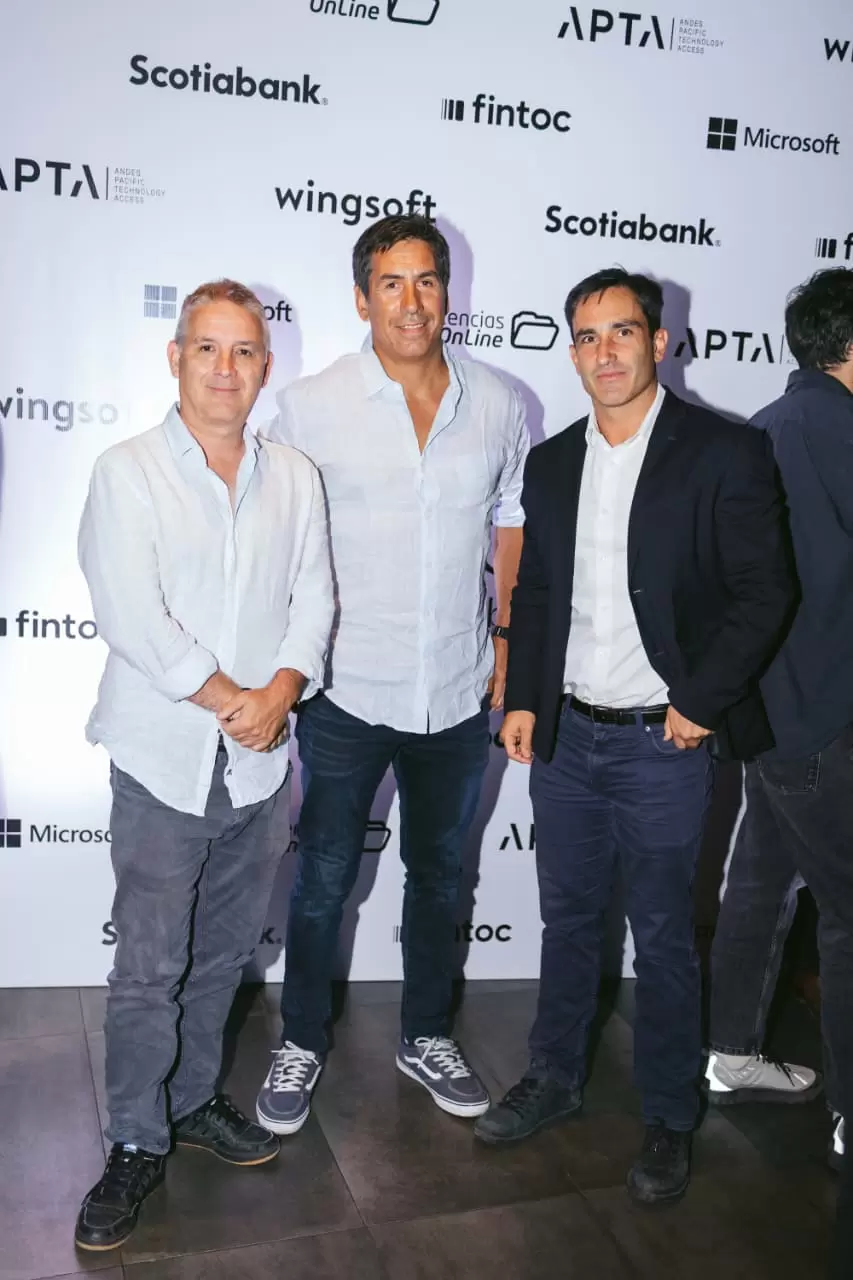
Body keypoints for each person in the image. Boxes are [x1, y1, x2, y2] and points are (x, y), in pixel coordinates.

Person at [474, 267, 794, 1207]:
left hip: (666, 743)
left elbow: (764, 591)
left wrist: (699, 697)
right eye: (585, 336)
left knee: (659, 937)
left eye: (621, 332)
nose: (603, 352)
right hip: (567, 738)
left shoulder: (722, 452)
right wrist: (522, 697)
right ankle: (552, 1077)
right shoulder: (552, 462)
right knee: (569, 922)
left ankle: (667, 1114)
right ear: (572, 352)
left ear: (657, 342)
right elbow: (536, 590)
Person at [74, 280, 334, 1251]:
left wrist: (282, 691)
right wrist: (238, 701)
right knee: (149, 967)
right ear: (176, 357)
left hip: (260, 769)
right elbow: (132, 616)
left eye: (245, 351)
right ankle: (134, 1139)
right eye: (208, 348)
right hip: (163, 760)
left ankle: (186, 1102)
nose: (226, 368)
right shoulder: (127, 471)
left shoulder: (295, 476)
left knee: (223, 957)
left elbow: (315, 598)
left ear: (266, 366)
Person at [255, 214, 528, 1133]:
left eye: (427, 281)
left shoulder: (498, 402)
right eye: (391, 283)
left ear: (448, 290)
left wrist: (505, 639)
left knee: (441, 877)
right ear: (361, 296)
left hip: (454, 690)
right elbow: (278, 534)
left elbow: (511, 521)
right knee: (324, 878)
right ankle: (300, 1039)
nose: (411, 302)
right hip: (345, 688)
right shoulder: (310, 407)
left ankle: (426, 1034)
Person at [704, 269, 853, 1186]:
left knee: (761, 881)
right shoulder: (834, 432)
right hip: (825, 720)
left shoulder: (765, 425)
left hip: (772, 714)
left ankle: (729, 1051)